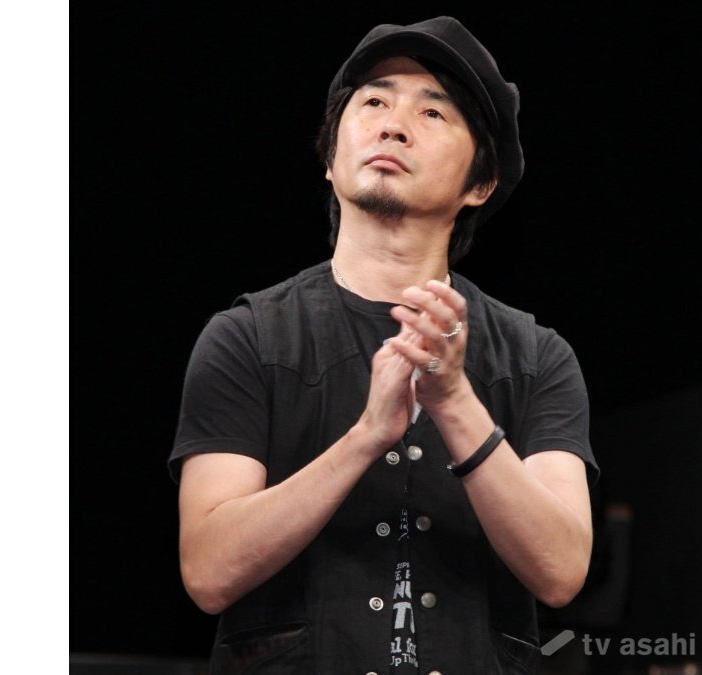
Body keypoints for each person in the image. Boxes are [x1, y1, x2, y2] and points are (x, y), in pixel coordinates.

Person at [169, 16, 599, 674]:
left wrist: (453, 400)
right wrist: (367, 436)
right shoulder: (247, 338)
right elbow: (208, 571)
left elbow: (562, 571)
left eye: (433, 112)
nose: (393, 125)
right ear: (329, 158)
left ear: (479, 184)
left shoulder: (537, 357)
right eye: (373, 101)